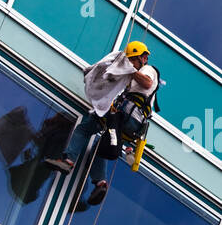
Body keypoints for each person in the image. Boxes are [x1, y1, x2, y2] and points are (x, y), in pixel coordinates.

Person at [46, 42, 160, 208]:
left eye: (132, 61)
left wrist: (129, 69)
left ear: (142, 58)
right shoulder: (132, 76)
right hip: (128, 122)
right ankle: (100, 183)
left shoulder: (146, 70)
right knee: (101, 149)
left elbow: (147, 83)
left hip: (127, 115)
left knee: (85, 128)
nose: (129, 64)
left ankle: (68, 161)